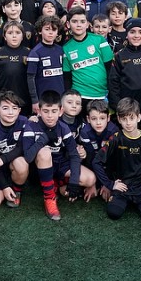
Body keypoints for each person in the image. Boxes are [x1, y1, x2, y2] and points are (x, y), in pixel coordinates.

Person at [23, 90, 97, 220]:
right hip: (40, 167)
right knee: (45, 152)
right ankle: (49, 198)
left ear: (60, 111)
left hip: (60, 164)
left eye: (54, 111)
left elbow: (74, 155)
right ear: (39, 111)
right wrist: (44, 138)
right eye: (46, 111)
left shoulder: (63, 127)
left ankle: (58, 184)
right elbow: (28, 157)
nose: (50, 116)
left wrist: (74, 181)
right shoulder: (31, 126)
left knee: (90, 179)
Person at [92, 98, 141, 223]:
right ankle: (122, 199)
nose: (128, 123)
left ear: (138, 117)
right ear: (119, 119)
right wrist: (110, 184)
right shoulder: (115, 139)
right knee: (113, 213)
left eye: (131, 118)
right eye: (124, 119)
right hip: (122, 187)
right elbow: (96, 162)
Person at [0, 90, 30, 208]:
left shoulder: (24, 122)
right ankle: (6, 185)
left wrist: (4, 159)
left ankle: (17, 189)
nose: (10, 112)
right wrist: (4, 186)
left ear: (19, 110)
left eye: (14, 108)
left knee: (21, 164)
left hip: (14, 162)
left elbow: (22, 147)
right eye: (5, 108)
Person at [63, 7, 114, 102]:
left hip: (101, 94)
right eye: (74, 21)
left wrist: (110, 92)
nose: (79, 25)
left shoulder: (99, 40)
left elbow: (110, 69)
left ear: (87, 24)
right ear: (68, 24)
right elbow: (67, 77)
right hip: (79, 96)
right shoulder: (66, 48)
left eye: (82, 21)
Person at [0, 21, 33, 117]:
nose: (14, 36)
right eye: (10, 33)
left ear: (22, 36)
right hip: (2, 99)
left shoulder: (29, 53)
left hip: (24, 100)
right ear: (4, 36)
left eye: (18, 33)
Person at [27, 15, 65, 115]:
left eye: (54, 29)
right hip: (43, 99)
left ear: (57, 32)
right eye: (47, 29)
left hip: (60, 97)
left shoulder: (60, 50)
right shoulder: (35, 52)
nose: (50, 32)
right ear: (40, 31)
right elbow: (30, 78)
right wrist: (34, 100)